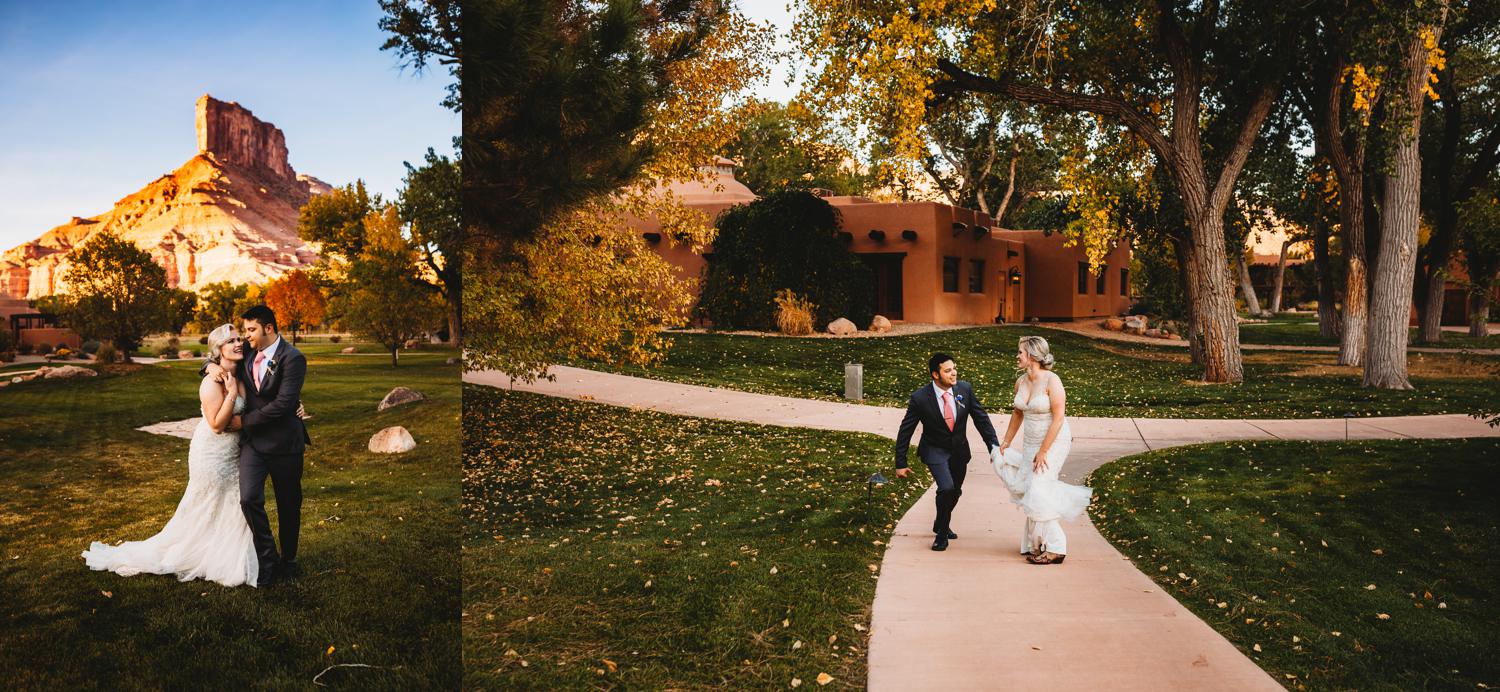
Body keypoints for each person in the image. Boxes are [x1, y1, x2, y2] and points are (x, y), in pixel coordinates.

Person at [82, 324, 259, 587]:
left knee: (232, 505)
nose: (238, 343)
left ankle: (228, 557)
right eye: (231, 341)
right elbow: (217, 425)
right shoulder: (212, 382)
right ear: (218, 349)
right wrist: (231, 393)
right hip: (212, 453)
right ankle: (200, 554)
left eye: (238, 339)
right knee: (207, 505)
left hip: (234, 453)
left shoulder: (243, 372)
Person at [222, 304, 311, 587]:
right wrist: (209, 366)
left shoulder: (293, 358)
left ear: (268, 328)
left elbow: (284, 404)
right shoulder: (248, 351)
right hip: (255, 446)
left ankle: (289, 560)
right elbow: (219, 356)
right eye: (245, 330)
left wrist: (243, 422)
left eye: (251, 330)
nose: (246, 337)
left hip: (286, 443)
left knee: (288, 505)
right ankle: (267, 557)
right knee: (249, 498)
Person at [992, 336, 1092, 565]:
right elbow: (1018, 413)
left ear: (1033, 356)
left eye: (1020, 352)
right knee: (1030, 486)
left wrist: (1044, 451)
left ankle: (1056, 547)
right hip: (1030, 442)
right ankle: (1034, 543)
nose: (1017, 356)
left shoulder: (1052, 381)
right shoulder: (1021, 381)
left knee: (1039, 487)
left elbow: (1058, 419)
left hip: (1054, 441)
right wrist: (1006, 441)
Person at [894, 352, 1000, 551]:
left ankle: (939, 522)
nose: (954, 373)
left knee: (955, 491)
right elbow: (905, 430)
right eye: (948, 370)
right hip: (934, 449)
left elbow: (981, 419)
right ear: (935, 374)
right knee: (946, 487)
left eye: (954, 369)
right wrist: (901, 462)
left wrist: (994, 447)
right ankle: (941, 535)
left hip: (959, 450)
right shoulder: (920, 398)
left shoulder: (964, 390)